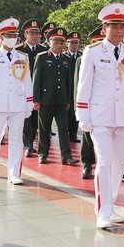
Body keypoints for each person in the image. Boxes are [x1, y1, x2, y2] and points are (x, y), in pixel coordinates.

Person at [76, 3, 124, 229]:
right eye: (114, 27)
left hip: (122, 117)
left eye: (122, 27)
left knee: (117, 165)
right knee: (104, 162)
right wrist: (82, 114)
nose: (119, 31)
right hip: (100, 116)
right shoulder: (93, 52)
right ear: (104, 27)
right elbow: (84, 85)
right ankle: (102, 211)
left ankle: (110, 206)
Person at [0, 18, 33, 185]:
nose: (12, 38)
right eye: (8, 35)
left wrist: (28, 104)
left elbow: (27, 82)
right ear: (0, 38)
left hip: (17, 104)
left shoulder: (23, 57)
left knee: (17, 140)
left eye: (14, 35)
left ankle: (14, 173)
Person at [33, 27, 79, 165]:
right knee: (44, 129)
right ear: (49, 42)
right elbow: (37, 80)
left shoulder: (67, 59)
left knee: (64, 129)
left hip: (61, 100)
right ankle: (43, 153)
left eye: (61, 43)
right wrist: (36, 99)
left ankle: (66, 156)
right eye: (56, 42)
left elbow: (69, 82)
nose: (59, 45)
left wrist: (70, 100)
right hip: (46, 100)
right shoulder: (42, 58)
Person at [16, 19, 48, 157]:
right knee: (26, 119)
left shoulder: (44, 50)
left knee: (36, 119)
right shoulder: (19, 51)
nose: (35, 36)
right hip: (24, 89)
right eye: (32, 33)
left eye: (37, 33)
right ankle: (28, 145)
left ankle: (31, 142)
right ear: (25, 34)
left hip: (40, 89)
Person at [77, 26, 104, 180]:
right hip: (90, 104)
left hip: (106, 105)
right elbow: (79, 84)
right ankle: (87, 164)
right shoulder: (83, 58)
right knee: (88, 137)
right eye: (97, 42)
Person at [65, 31, 83, 143]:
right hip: (66, 88)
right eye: (72, 43)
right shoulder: (64, 56)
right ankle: (66, 133)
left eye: (76, 43)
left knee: (75, 113)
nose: (74, 45)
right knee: (67, 113)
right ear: (67, 43)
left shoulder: (82, 56)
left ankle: (73, 134)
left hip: (78, 87)